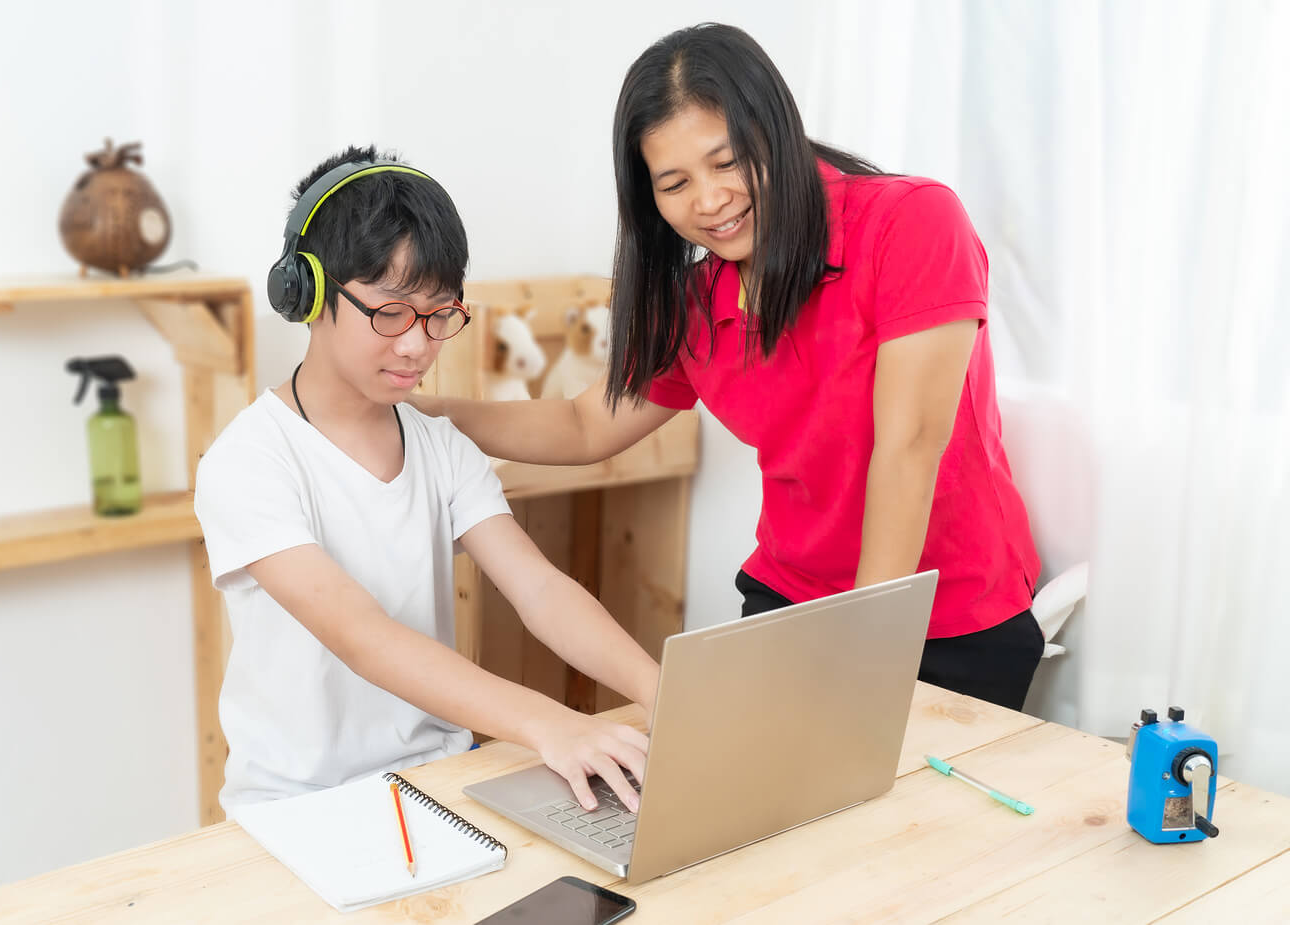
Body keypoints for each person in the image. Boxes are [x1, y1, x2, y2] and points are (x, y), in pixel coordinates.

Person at [412, 24, 1044, 710]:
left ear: (775, 129)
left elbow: (909, 450)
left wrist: (866, 649)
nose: (709, 201)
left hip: (949, 616)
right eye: (675, 182)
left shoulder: (911, 223)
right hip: (791, 600)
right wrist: (433, 415)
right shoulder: (693, 302)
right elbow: (583, 424)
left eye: (728, 161)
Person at [193, 145, 660, 817]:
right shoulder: (248, 462)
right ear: (308, 294)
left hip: (441, 784)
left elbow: (542, 592)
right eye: (390, 312)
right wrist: (548, 721)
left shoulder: (440, 447)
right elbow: (362, 634)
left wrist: (662, 688)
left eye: (440, 314)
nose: (417, 344)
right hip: (298, 808)